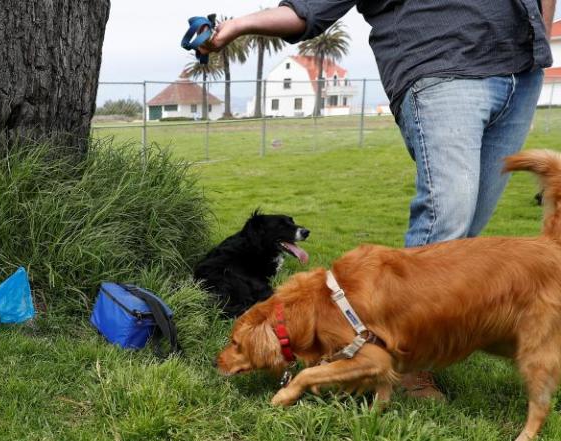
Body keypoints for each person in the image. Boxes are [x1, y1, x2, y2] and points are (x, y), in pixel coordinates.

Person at [201, 1, 555, 399]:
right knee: (447, 217)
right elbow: (307, 9)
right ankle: (403, 362)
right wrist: (236, 26)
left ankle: (427, 342)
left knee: (467, 231)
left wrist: (538, 38)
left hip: (522, 71)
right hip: (440, 63)